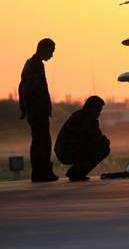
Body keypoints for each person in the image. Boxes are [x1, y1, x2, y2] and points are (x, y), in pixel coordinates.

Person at [19, 38, 58, 182]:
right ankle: (42, 173)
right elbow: (29, 89)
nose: (51, 55)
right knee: (42, 142)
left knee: (39, 141)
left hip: (35, 110)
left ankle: (40, 172)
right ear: (44, 49)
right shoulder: (35, 65)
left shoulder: (31, 64)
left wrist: (24, 107)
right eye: (51, 51)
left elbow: (21, 87)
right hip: (37, 111)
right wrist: (30, 107)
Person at [54, 96, 111, 182]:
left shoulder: (79, 115)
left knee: (99, 145)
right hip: (67, 151)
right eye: (98, 110)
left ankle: (76, 171)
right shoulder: (87, 119)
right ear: (92, 108)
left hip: (64, 150)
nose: (99, 113)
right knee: (103, 148)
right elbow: (97, 138)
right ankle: (76, 173)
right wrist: (105, 141)